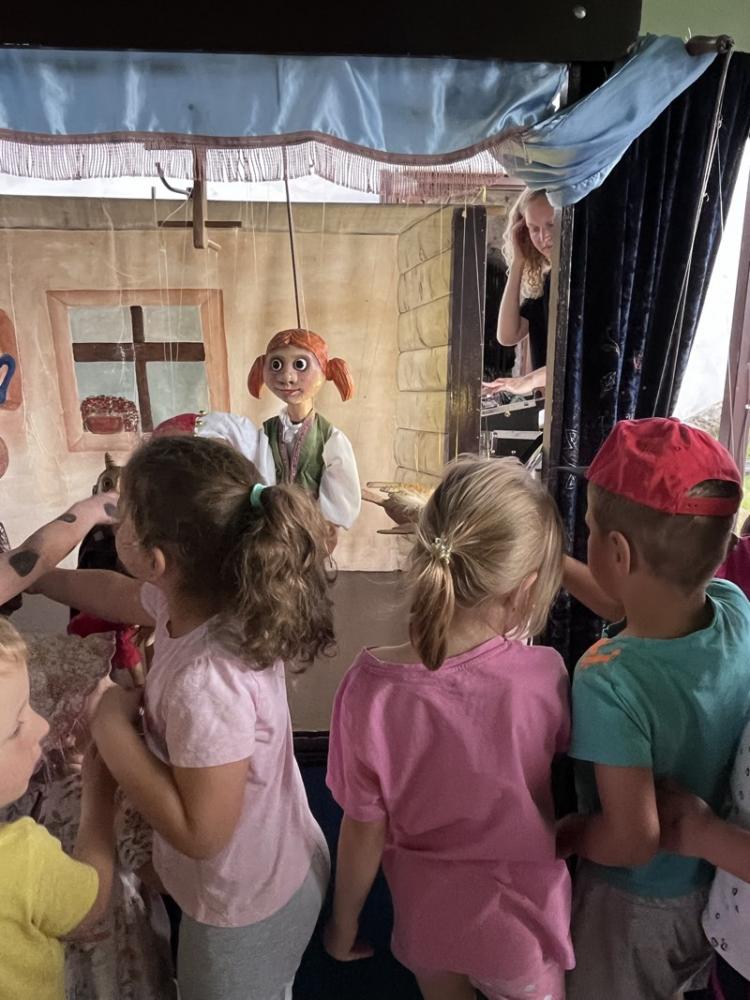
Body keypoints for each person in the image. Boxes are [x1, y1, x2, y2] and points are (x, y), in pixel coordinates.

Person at [34, 435, 333, 1000]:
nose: (113, 520)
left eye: (124, 514)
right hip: (275, 853)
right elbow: (115, 592)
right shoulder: (203, 599)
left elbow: (202, 834)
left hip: (242, 914)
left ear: (156, 560)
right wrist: (41, 577)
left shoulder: (206, 680)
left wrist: (109, 725)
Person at [324, 457, 574, 1000]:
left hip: (426, 922)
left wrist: (343, 924)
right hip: (517, 931)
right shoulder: (543, 675)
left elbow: (362, 831)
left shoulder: (368, 688)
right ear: (525, 590)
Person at [557, 417, 750, 1000]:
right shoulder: (732, 608)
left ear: (616, 551)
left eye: (589, 530)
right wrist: (553, 565)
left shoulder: (607, 678)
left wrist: (571, 834)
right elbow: (629, 600)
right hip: (708, 890)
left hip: (633, 905)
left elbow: (632, 839)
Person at [0, 618, 117, 1000]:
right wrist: (98, 793)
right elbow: (91, 904)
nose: (41, 725)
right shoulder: (23, 858)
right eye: (16, 726)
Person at [196, 328, 361, 546]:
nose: (287, 377)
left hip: (313, 531)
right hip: (273, 528)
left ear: (326, 370)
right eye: (276, 365)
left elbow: (340, 496)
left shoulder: (331, 439)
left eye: (300, 365)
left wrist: (326, 526)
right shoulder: (266, 433)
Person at [482, 189, 554, 399]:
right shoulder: (548, 282)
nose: (543, 237)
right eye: (534, 229)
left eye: (551, 224)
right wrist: (518, 261)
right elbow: (507, 335)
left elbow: (578, 359)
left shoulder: (580, 281)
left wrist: (528, 380)